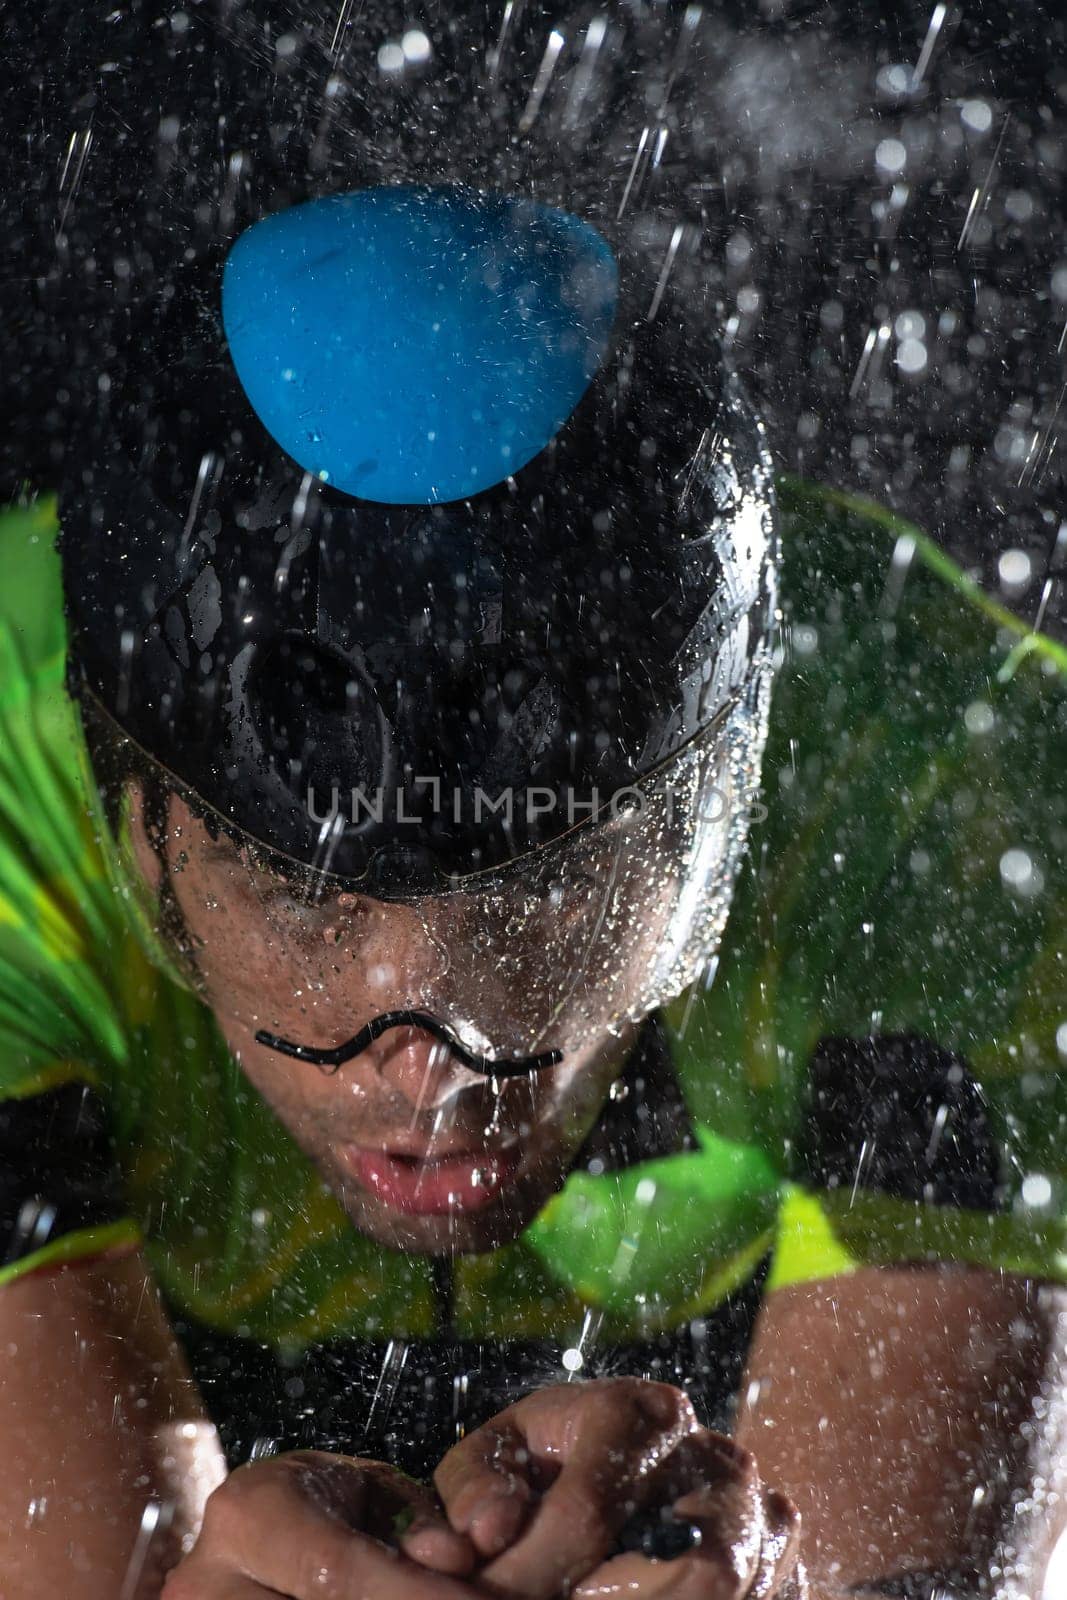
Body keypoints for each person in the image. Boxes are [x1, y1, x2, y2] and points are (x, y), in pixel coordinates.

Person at [2, 5, 1067, 1599]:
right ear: (139, 835)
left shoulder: (945, 787)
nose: (428, 1051)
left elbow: (916, 1567)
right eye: (305, 900)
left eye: (537, 897)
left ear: (715, 831)